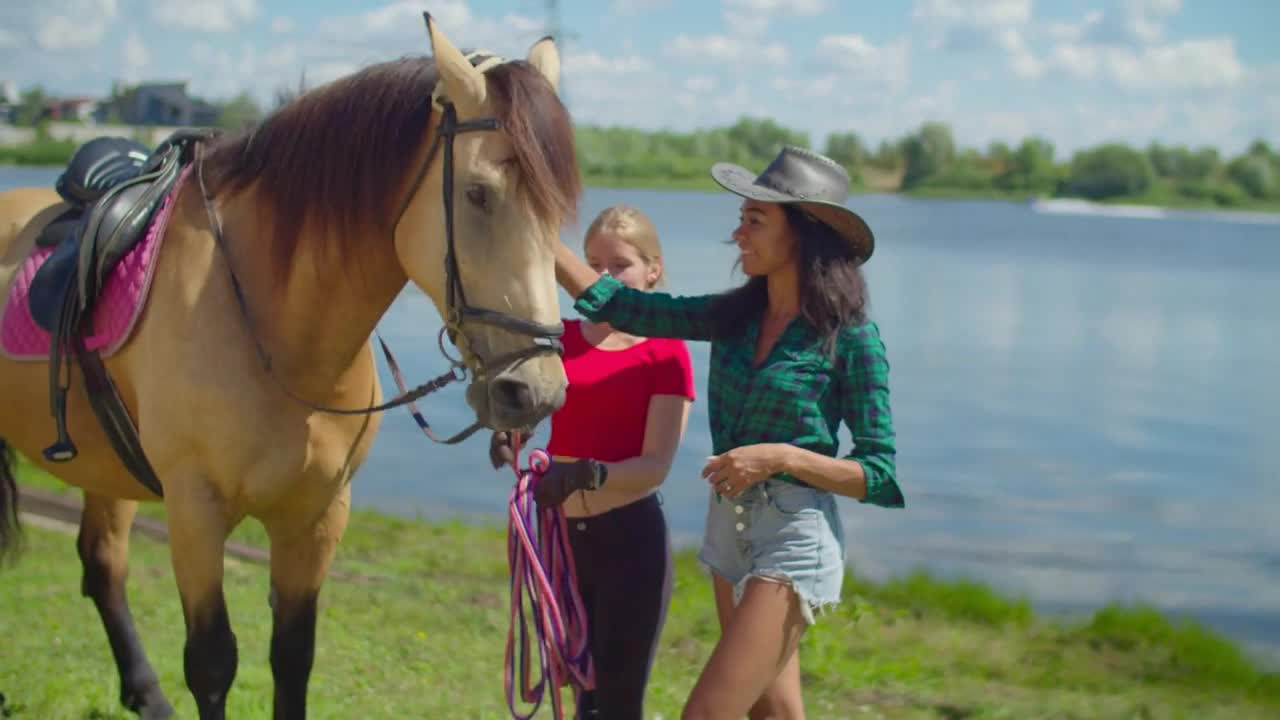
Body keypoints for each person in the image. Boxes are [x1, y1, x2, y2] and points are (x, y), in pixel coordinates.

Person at [549, 146, 904, 720]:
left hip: (794, 535)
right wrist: (542, 237)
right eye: (741, 218)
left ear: (805, 233)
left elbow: (879, 476)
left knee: (708, 714)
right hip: (728, 531)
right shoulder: (733, 318)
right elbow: (624, 308)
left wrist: (781, 457)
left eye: (754, 221)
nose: (737, 234)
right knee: (774, 712)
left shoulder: (853, 339)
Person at [490, 205, 696, 719]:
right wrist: (509, 435)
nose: (602, 277)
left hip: (629, 541)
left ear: (654, 269)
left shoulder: (666, 354)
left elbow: (655, 467)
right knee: (578, 695)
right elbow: (528, 418)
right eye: (593, 263)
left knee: (618, 704)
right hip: (558, 539)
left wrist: (585, 473)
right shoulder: (558, 341)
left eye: (620, 264)